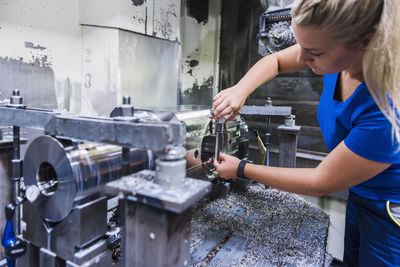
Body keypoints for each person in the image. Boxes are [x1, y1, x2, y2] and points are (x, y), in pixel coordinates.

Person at [212, 0, 400, 265]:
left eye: (314, 52)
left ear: (365, 42)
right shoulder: (339, 55)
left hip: (390, 211)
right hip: (360, 193)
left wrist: (241, 168)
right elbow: (276, 60)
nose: (301, 59)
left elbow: (321, 180)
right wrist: (240, 89)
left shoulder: (388, 108)